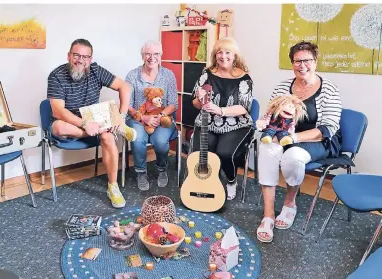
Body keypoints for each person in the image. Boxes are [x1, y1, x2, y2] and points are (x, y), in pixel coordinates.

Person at [256, 41, 342, 243]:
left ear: (315, 61)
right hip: (285, 135)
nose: (302, 65)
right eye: (297, 61)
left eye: (307, 60)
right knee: (267, 148)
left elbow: (329, 128)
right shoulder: (282, 87)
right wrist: (271, 130)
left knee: (292, 156)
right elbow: (272, 114)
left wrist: (294, 138)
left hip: (318, 140)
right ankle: (268, 215)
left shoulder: (329, 89)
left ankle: (289, 203)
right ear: (292, 63)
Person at [47, 38, 136, 209]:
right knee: (59, 127)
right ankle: (111, 127)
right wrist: (85, 124)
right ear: (69, 55)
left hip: (94, 121)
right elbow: (58, 111)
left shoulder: (96, 70)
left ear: (91, 59)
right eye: (76, 55)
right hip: (70, 124)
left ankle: (113, 187)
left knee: (109, 137)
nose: (80, 60)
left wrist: (122, 116)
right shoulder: (56, 76)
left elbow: (125, 86)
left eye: (85, 57)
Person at [191, 38, 254, 200]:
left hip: (236, 124)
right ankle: (209, 181)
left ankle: (231, 181)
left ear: (235, 56)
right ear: (215, 55)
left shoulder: (244, 78)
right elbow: (195, 103)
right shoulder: (206, 74)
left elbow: (244, 108)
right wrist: (200, 100)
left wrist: (220, 110)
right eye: (220, 52)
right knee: (200, 154)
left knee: (224, 153)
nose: (223, 56)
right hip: (207, 122)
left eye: (228, 52)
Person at [125, 40, 178, 190]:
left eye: (156, 54)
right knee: (138, 138)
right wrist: (143, 117)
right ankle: (141, 172)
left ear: (161, 55)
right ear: (142, 56)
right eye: (148, 53)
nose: (152, 57)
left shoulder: (168, 75)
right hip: (137, 118)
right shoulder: (132, 75)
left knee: (161, 142)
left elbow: (173, 103)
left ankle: (162, 169)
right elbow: (127, 105)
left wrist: (160, 116)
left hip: (162, 118)